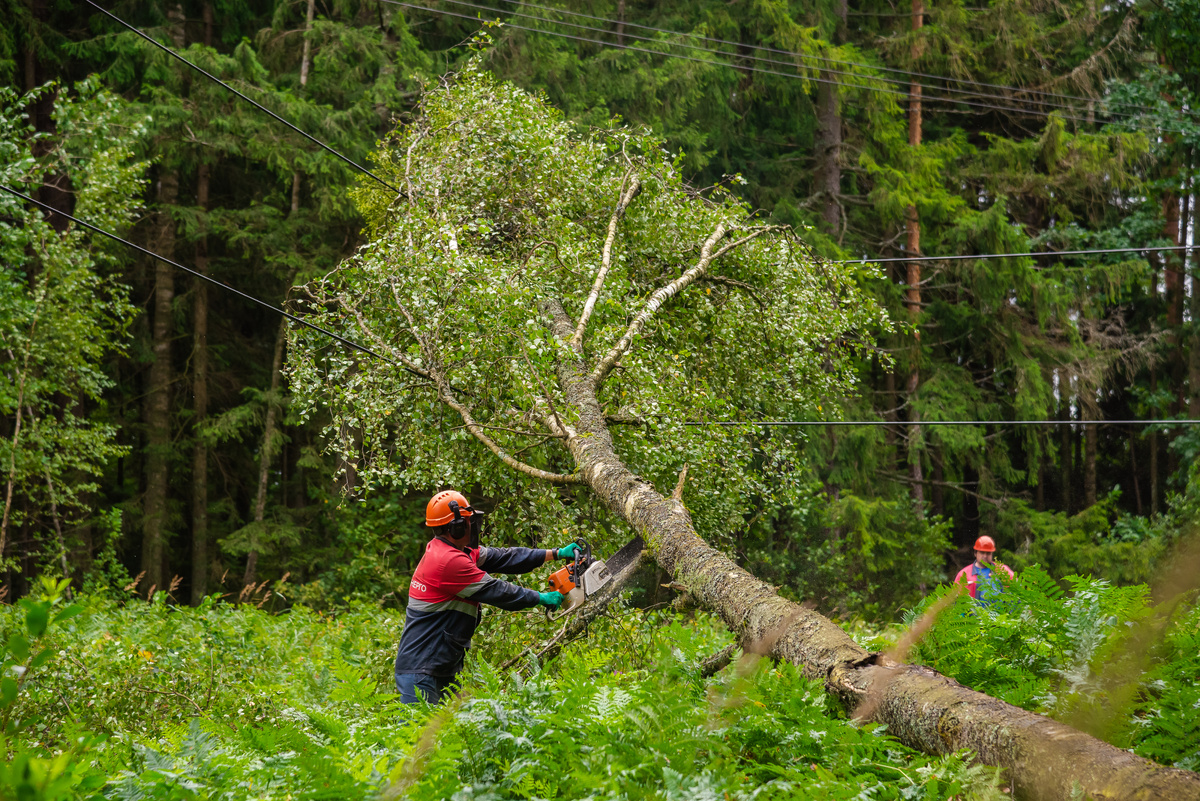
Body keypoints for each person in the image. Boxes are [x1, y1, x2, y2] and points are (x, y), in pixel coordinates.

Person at [394, 489, 580, 704]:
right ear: (456, 527)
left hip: (440, 665)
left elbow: (506, 557)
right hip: (421, 670)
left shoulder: (458, 551)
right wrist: (541, 598)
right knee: (416, 735)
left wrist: (556, 553)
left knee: (448, 735)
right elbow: (498, 591)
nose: (473, 526)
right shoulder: (448, 562)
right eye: (468, 521)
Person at [953, 535, 1014, 606]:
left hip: (1001, 616)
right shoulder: (964, 575)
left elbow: (1018, 592)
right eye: (982, 552)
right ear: (975, 553)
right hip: (973, 616)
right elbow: (956, 601)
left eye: (988, 553)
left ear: (992, 554)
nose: (985, 556)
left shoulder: (1003, 571)